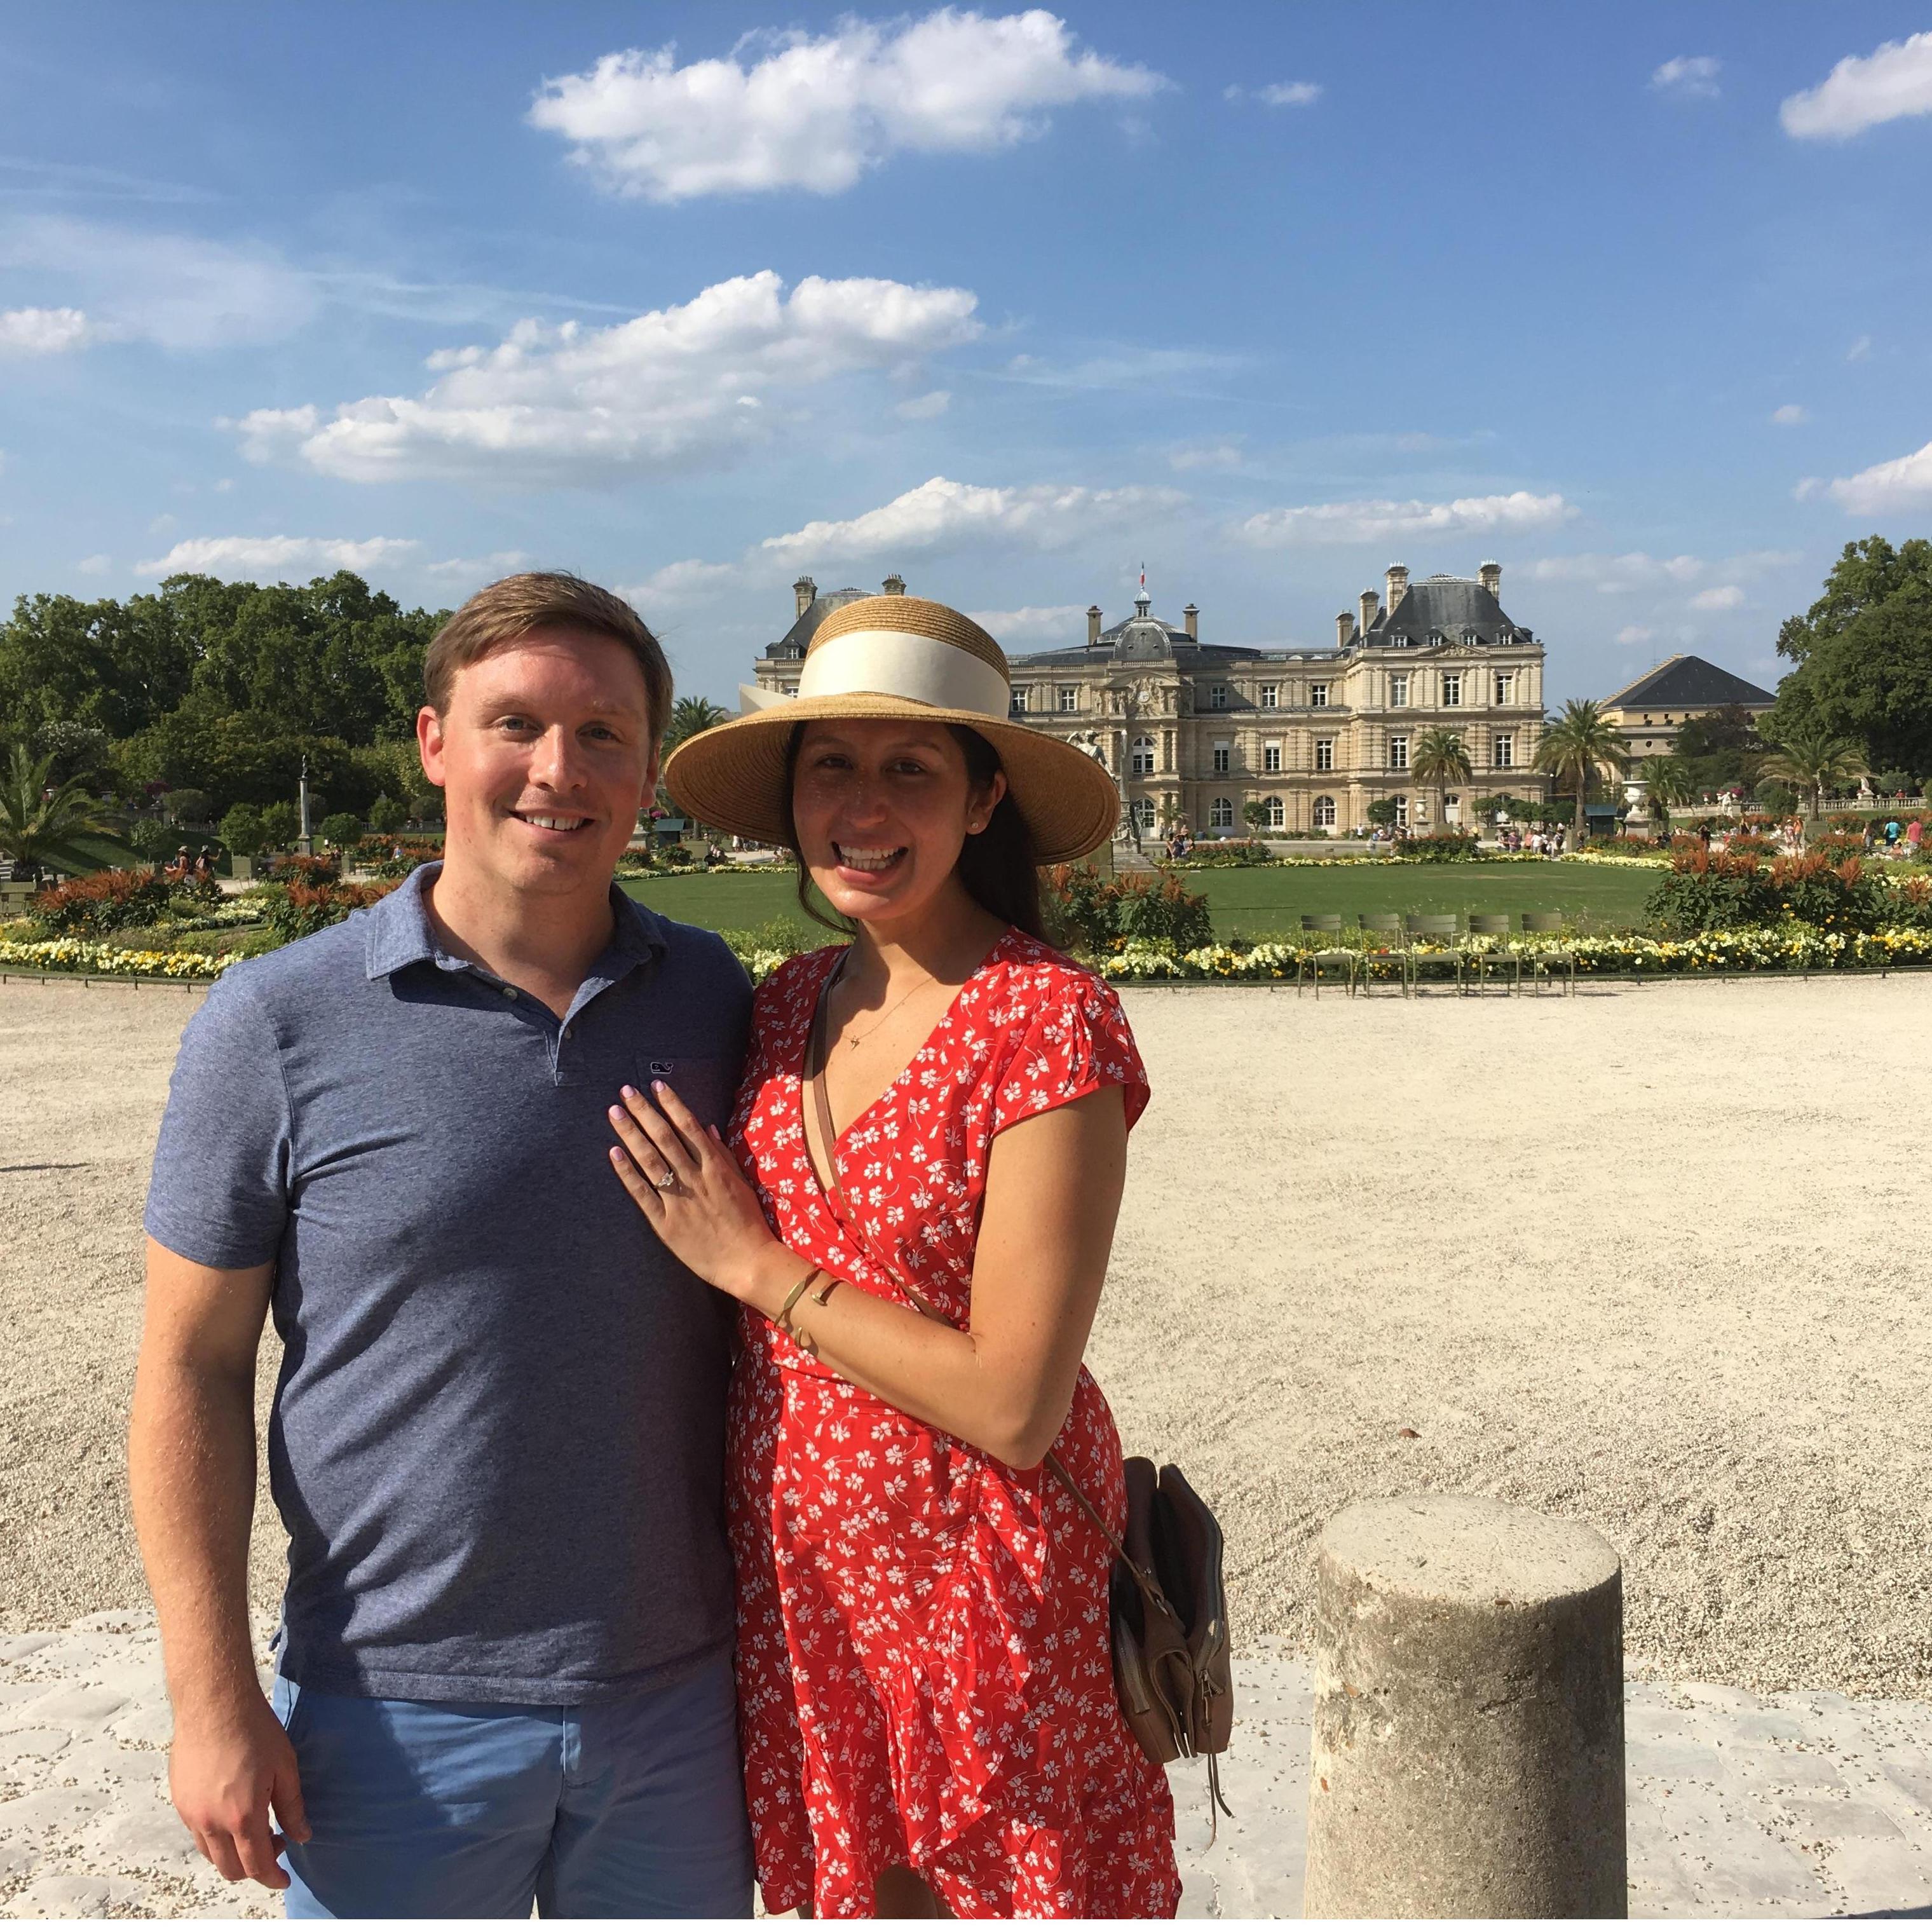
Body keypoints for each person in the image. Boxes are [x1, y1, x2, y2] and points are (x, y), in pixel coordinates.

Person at [129, 573, 757, 1917]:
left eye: (601, 734)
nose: (556, 769)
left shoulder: (713, 999)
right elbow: (187, 1369)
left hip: (679, 1699)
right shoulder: (277, 1022)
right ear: (433, 742)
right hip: (389, 1713)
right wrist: (212, 1693)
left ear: (649, 766)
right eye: (513, 722)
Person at [611, 595, 1182, 1919]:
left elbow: (1013, 1402)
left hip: (980, 1589)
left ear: (983, 800)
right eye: (833, 766)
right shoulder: (784, 1003)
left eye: (908, 769)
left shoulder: (1046, 1021)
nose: (863, 808)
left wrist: (759, 1267)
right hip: (805, 1594)